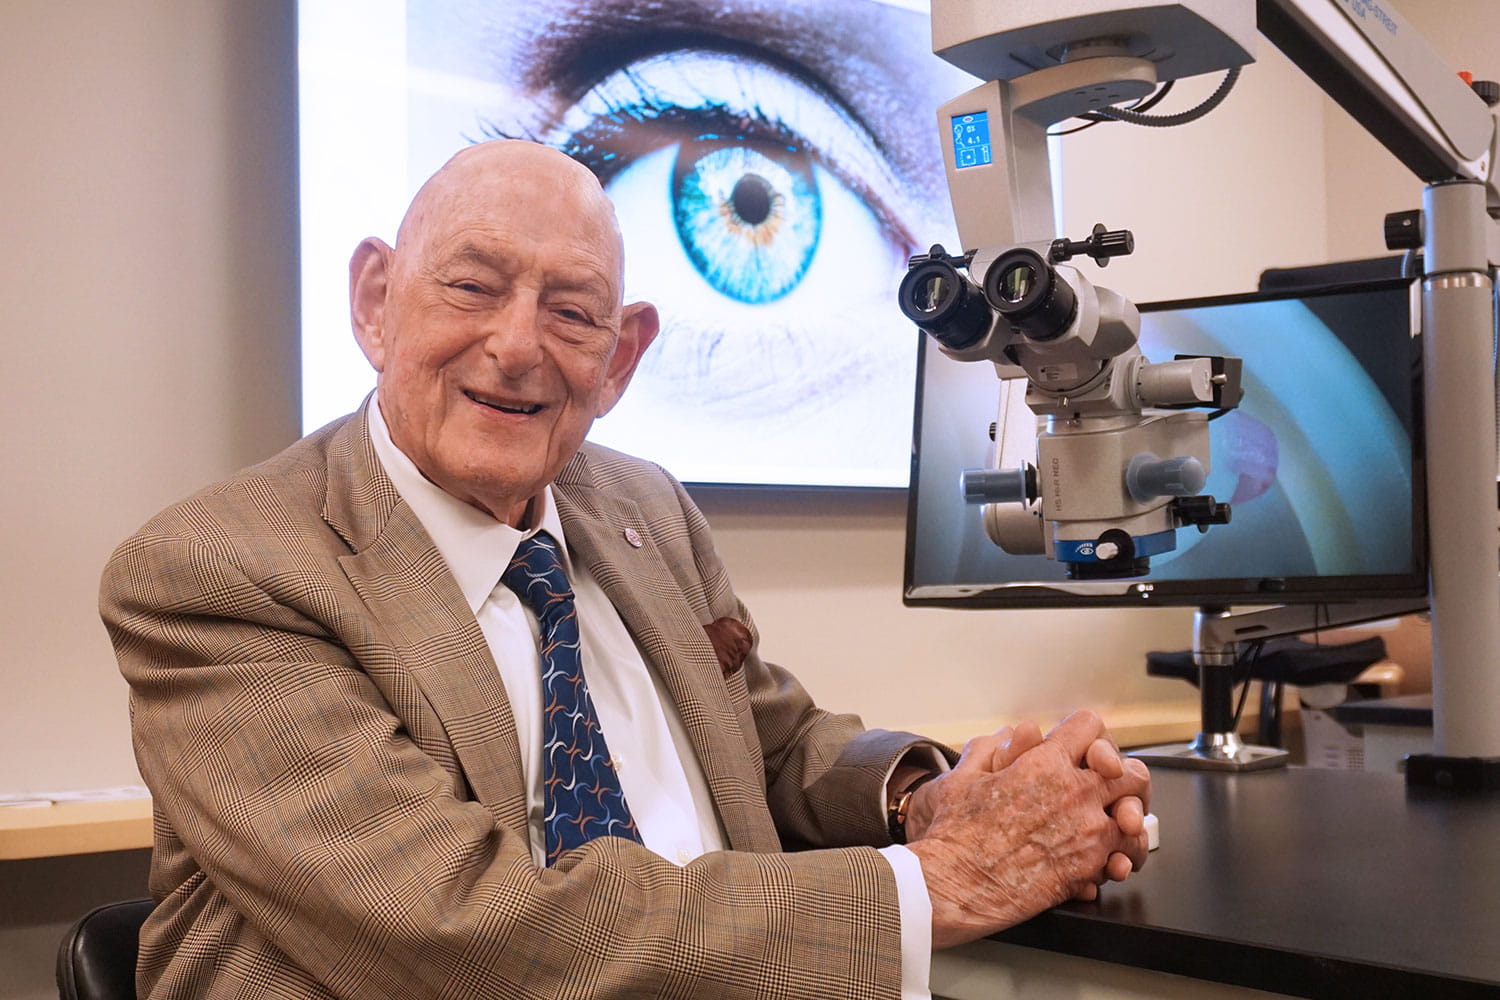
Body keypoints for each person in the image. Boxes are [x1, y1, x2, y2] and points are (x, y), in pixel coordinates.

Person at [101, 140, 1151, 1000]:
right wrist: (938, 880)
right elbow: (474, 933)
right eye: (471, 287)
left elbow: (771, 739)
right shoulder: (217, 573)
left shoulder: (641, 504)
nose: (517, 347)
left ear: (621, 357)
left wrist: (932, 797)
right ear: (377, 301)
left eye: (571, 311)